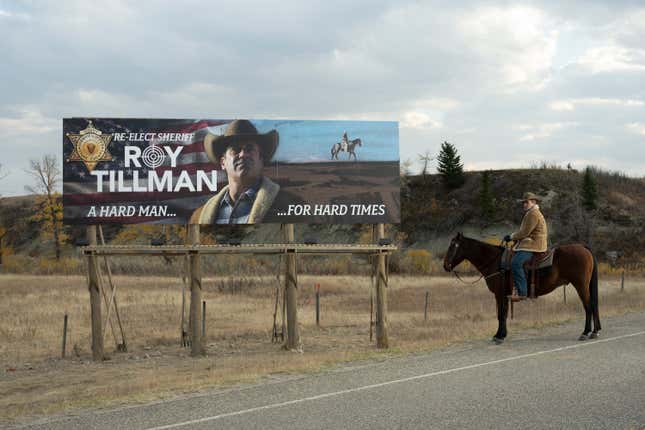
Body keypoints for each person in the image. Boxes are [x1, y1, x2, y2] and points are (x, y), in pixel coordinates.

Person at [190, 119, 285, 224]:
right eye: (235, 150)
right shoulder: (198, 217)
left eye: (249, 149)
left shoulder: (286, 207)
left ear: (261, 160)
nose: (243, 154)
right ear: (223, 162)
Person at [503, 192, 548, 301]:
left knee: (515, 263)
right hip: (532, 242)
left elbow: (525, 232)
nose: (524, 204)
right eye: (523, 202)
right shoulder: (532, 213)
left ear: (533, 202)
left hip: (533, 244)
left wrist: (511, 236)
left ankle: (522, 293)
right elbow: (524, 231)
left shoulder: (533, 214)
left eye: (526, 202)